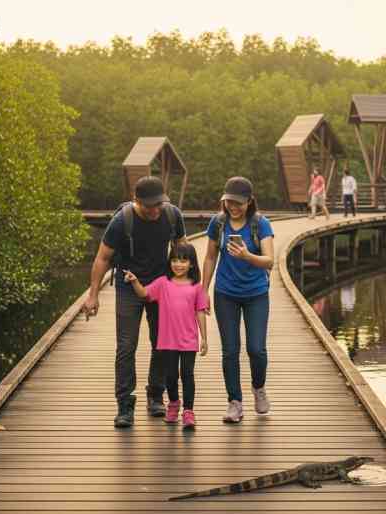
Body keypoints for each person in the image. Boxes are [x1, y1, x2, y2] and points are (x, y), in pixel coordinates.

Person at [82, 176, 186, 428]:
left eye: (158, 204)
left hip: (160, 285)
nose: (155, 210)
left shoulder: (172, 215)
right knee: (126, 346)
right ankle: (125, 405)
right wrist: (93, 294)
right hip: (128, 285)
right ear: (136, 200)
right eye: (149, 205)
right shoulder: (122, 221)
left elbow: (182, 249)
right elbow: (102, 258)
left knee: (161, 342)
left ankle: (155, 395)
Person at [201, 176, 275, 423]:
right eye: (229, 202)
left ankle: (259, 388)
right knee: (230, 350)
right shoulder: (218, 223)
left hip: (256, 293)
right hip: (225, 294)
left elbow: (270, 261)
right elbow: (210, 257)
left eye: (239, 203)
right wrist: (203, 290)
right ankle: (235, 402)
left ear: (249, 202)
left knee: (256, 348)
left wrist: (246, 256)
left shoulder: (260, 224)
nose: (233, 207)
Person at [124, 242, 208, 429]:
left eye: (183, 261)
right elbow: (145, 294)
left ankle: (188, 411)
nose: (178, 265)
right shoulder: (163, 283)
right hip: (167, 340)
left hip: (189, 340)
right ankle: (173, 403)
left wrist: (204, 338)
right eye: (175, 260)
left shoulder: (197, 287)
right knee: (170, 376)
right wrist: (135, 281)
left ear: (192, 264)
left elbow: (200, 312)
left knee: (187, 374)